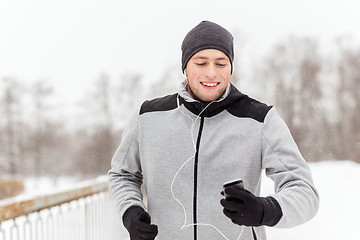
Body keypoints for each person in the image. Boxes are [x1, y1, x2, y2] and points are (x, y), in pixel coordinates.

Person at [108, 20, 319, 240]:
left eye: (221, 64)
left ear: (230, 67)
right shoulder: (148, 117)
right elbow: (122, 174)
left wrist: (266, 209)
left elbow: (305, 191)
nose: (211, 73)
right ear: (185, 67)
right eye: (201, 63)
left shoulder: (261, 120)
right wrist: (130, 212)